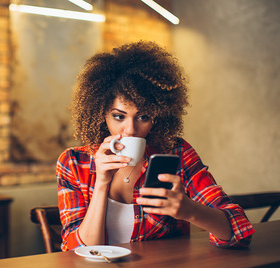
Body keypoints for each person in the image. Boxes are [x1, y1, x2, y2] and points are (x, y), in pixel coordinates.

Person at [56, 41, 254, 251]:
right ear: (100, 113)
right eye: (118, 116)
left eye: (143, 116)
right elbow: (77, 252)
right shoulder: (74, 163)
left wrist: (188, 210)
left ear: (158, 116)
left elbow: (240, 231)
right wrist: (101, 183)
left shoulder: (175, 153)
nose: (130, 129)